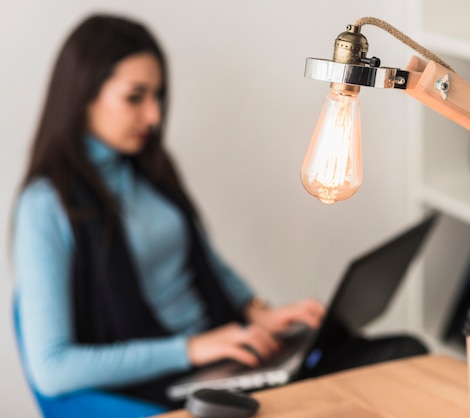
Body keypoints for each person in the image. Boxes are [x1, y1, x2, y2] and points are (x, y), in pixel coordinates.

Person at [12, 14, 427, 411]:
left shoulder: (147, 168)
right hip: (175, 379)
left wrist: (260, 313)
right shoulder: (45, 206)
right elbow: (51, 369)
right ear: (82, 97)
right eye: (135, 97)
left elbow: (204, 262)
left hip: (226, 352)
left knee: (402, 354)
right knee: (384, 370)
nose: (154, 116)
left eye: (157, 97)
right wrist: (193, 348)